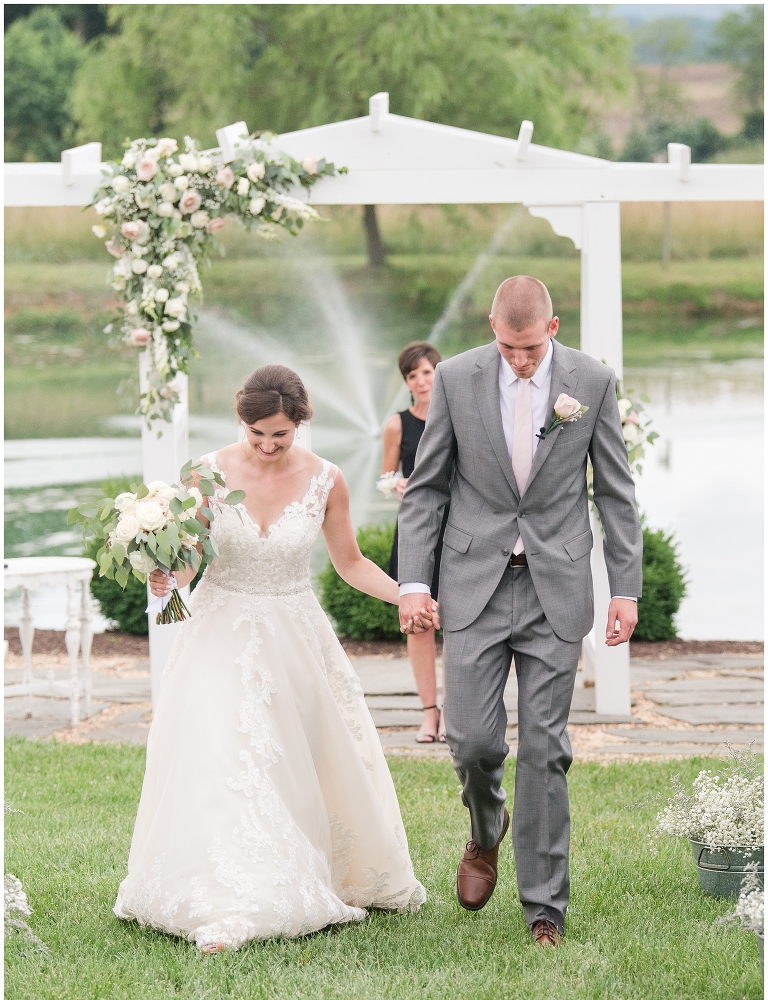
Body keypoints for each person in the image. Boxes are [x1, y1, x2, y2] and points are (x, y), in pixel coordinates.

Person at [114, 365, 431, 951]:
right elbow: (190, 559)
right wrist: (166, 575)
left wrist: (409, 593)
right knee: (223, 753)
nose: (265, 446)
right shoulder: (206, 475)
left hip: (294, 635)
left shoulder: (325, 480)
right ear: (243, 421)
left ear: (299, 425)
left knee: (292, 760)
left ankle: (311, 872)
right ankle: (223, 896)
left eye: (279, 436)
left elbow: (350, 563)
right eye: (256, 434)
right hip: (218, 630)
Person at [397, 276, 642, 947]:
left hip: (553, 586)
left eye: (531, 347)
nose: (521, 360)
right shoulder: (455, 377)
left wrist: (626, 588)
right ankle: (484, 832)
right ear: (492, 328)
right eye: (509, 346)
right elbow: (427, 489)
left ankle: (544, 909)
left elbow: (615, 492)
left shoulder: (591, 382)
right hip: (474, 582)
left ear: (553, 329)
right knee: (473, 741)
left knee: (544, 748)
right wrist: (414, 582)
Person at [382, 341, 447, 744]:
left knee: (460, 623)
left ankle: (458, 712)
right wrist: (397, 484)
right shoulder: (398, 424)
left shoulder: (456, 412)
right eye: (412, 375)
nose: (421, 381)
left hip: (458, 529)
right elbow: (385, 475)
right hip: (414, 531)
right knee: (418, 625)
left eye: (426, 372)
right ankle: (429, 713)